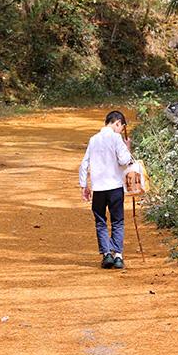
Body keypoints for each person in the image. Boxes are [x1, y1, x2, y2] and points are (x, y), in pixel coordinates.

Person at [78, 110, 133, 269]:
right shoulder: (116, 138)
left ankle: (107, 254)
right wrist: (127, 147)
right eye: (121, 128)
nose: (120, 131)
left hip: (99, 188)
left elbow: (84, 164)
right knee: (118, 221)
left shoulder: (93, 139)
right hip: (115, 187)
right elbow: (124, 160)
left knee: (100, 221)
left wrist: (84, 186)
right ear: (117, 123)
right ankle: (118, 256)